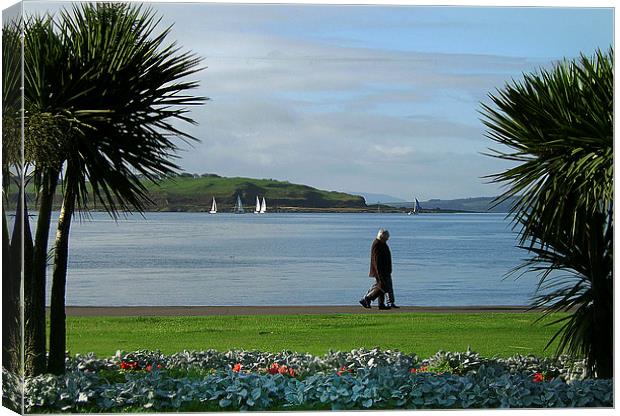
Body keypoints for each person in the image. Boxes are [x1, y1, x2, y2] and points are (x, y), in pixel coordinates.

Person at [359, 228, 400, 310]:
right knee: (382, 286)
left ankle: (381, 304)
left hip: (385, 270)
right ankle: (367, 298)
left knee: (382, 286)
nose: (388, 238)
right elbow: (376, 261)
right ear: (382, 236)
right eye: (387, 237)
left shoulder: (382, 243)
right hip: (380, 271)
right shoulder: (377, 244)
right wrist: (379, 273)